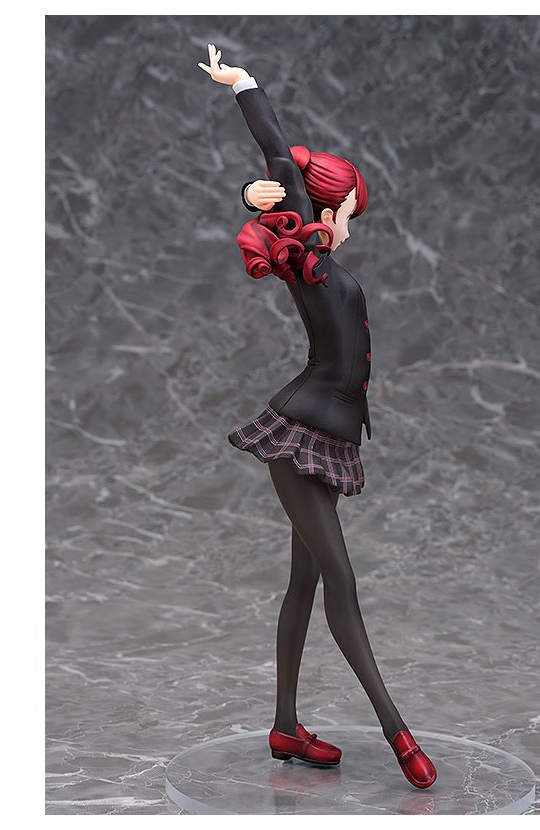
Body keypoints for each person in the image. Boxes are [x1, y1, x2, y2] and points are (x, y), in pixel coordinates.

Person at [198, 43, 437, 790]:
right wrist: (244, 85)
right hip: (299, 434)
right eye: (353, 212)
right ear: (330, 210)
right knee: (341, 581)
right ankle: (398, 733)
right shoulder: (311, 255)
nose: (354, 223)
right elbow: (277, 151)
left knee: (303, 581)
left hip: (330, 439)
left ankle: (285, 726)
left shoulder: (325, 260)